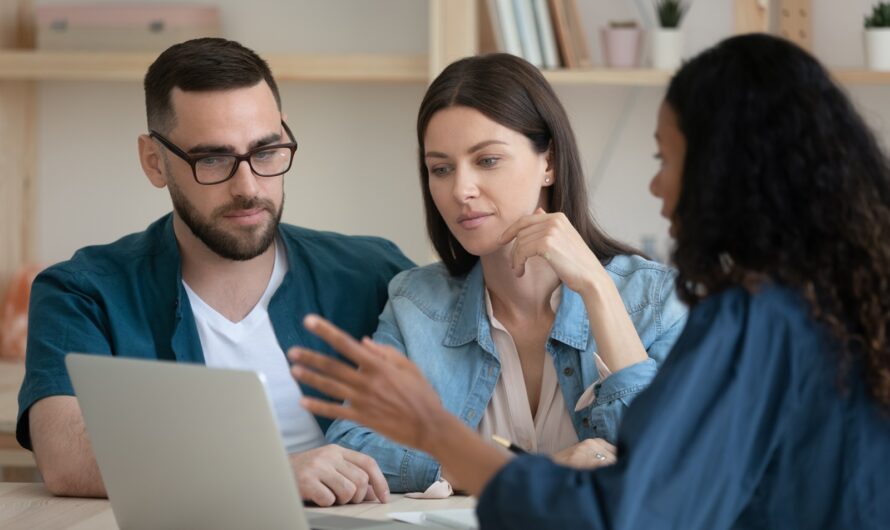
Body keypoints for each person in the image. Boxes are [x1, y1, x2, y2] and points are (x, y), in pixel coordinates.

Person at [290, 33, 890, 528]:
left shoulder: (738, 320)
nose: (656, 187)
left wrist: (446, 438)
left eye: (666, 159)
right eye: (439, 169)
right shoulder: (827, 309)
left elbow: (635, 502)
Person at [17, 37, 414, 506]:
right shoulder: (82, 292)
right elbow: (65, 456)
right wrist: (270, 475)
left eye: (266, 152)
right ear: (154, 162)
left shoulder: (375, 274)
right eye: (213, 159)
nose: (248, 188)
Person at [323, 52, 687, 493]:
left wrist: (597, 289)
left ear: (548, 162)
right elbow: (353, 446)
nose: (461, 190)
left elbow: (677, 462)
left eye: (487, 160)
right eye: (441, 169)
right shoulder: (416, 303)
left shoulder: (656, 299)